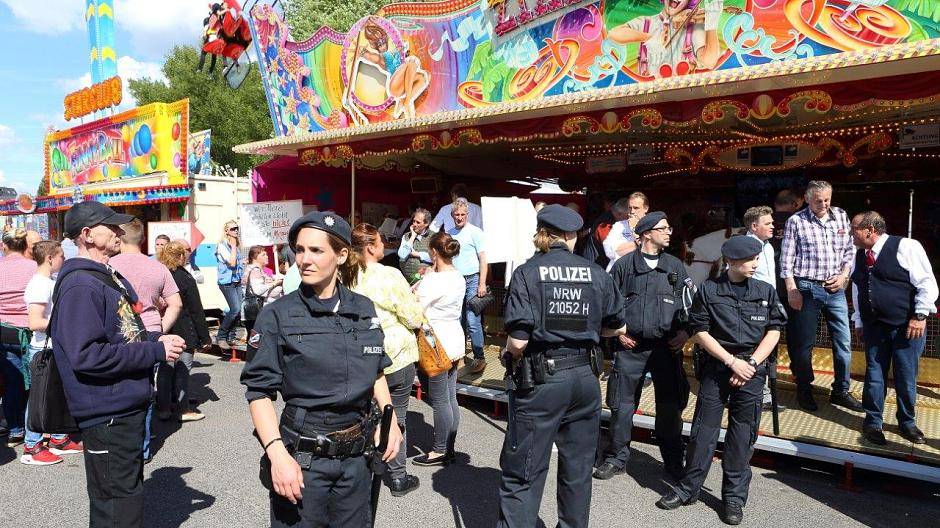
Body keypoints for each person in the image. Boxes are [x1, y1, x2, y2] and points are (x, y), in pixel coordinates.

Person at [240, 211, 403, 527]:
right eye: (300, 250)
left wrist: (390, 418)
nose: (304, 259)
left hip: (357, 459)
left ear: (341, 255)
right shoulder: (277, 315)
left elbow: (376, 370)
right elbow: (258, 392)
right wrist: (277, 455)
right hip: (303, 458)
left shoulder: (363, 309)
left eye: (316, 250)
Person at [52, 201, 184, 528]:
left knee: (125, 497)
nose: (118, 231)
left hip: (122, 406)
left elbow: (123, 336)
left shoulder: (105, 277)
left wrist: (156, 340)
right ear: (87, 235)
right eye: (109, 226)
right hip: (107, 411)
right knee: (115, 506)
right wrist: (154, 352)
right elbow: (86, 355)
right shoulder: (81, 285)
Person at [497, 204, 626, 528]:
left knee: (524, 473)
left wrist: (508, 354)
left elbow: (518, 342)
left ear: (541, 234)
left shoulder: (527, 273)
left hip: (542, 382)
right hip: (585, 379)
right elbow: (618, 327)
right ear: (572, 235)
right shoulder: (596, 273)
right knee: (578, 472)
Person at [656, 235, 786, 526]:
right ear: (733, 262)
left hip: (751, 370)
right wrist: (731, 362)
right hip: (718, 368)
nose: (756, 264)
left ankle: (733, 499)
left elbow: (774, 330)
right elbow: (700, 331)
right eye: (751, 260)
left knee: (742, 437)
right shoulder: (709, 289)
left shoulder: (765, 290)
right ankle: (688, 489)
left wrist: (750, 364)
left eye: (757, 258)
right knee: (703, 433)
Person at [594, 211, 691, 481]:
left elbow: (689, 305)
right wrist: (618, 334)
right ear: (647, 234)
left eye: (669, 228)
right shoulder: (624, 266)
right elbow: (609, 304)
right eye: (663, 228)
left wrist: (685, 333)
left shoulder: (675, 266)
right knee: (621, 406)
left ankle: (673, 460)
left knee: (670, 407)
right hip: (631, 347)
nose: (669, 232)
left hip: (666, 349)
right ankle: (616, 457)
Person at [346, 223, 424, 496]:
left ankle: (360, 473)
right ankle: (398, 476)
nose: (384, 246)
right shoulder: (389, 275)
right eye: (380, 242)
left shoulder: (344, 275)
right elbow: (413, 317)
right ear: (370, 247)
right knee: (396, 414)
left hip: (357, 355)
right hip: (395, 355)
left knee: (361, 415)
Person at [849, 211, 938, 445]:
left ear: (869, 230)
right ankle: (873, 421)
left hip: (906, 326)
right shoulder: (859, 255)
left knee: (905, 376)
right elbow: (858, 289)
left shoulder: (907, 247)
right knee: (874, 375)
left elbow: (926, 283)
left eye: (854, 229)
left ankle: (907, 422)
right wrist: (859, 321)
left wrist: (920, 315)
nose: (851, 234)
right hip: (874, 326)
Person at [780, 180, 862, 412]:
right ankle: (804, 388)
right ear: (807, 199)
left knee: (843, 341)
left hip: (835, 288)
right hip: (807, 286)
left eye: (827, 199)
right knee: (804, 342)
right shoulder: (796, 221)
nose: (824, 204)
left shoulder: (841, 216)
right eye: (819, 201)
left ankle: (841, 390)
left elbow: (850, 250)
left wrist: (844, 276)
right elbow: (786, 258)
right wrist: (792, 289)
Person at [110, 219, 183, 462]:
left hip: (117, 332)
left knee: (117, 386)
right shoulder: (157, 267)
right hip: (149, 331)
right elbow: (175, 303)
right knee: (145, 387)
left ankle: (121, 441)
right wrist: (160, 329)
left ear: (118, 237)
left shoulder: (108, 266)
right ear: (142, 239)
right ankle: (142, 446)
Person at [20, 240, 84, 465]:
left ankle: (58, 438)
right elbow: (35, 322)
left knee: (55, 394)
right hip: (43, 349)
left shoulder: (48, 281)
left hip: (52, 347)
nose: (64, 259)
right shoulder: (40, 284)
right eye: (61, 256)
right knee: (39, 397)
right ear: (50, 258)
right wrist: (66, 324)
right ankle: (32, 445)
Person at [413, 231, 467, 467]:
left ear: (434, 252)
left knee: (439, 399)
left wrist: (417, 286)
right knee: (450, 396)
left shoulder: (432, 281)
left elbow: (416, 307)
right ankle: (449, 446)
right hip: (454, 336)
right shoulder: (458, 277)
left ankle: (440, 449)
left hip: (435, 341)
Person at [157, 241, 213, 422]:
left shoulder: (160, 274)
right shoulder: (185, 277)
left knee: (165, 369)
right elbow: (196, 309)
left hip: (163, 327)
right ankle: (183, 409)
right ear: (180, 256)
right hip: (184, 329)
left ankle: (163, 408)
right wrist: (205, 337)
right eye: (186, 252)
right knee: (182, 369)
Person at [609, 0, 723, 78]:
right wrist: (649, 38)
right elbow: (614, 33)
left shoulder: (694, 25)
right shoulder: (647, 22)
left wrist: (712, 23)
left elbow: (709, 61)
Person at [0, 228, 37, 447]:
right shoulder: (34, 268)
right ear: (25, 246)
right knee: (34, 383)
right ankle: (35, 431)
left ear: (4, 246)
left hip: (3, 331)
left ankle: (15, 430)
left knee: (11, 382)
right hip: (29, 330)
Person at [446, 198, 488, 373]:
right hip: (455, 280)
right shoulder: (449, 233)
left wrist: (482, 283)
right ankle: (460, 356)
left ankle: (479, 357)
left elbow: (483, 259)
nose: (460, 217)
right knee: (457, 320)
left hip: (472, 280)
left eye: (463, 214)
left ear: (467, 215)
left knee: (472, 320)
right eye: (457, 214)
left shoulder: (475, 232)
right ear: (452, 215)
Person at [744, 206, 777, 411]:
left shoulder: (768, 247)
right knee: (753, 348)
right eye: (768, 223)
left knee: (766, 348)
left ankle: (761, 392)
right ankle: (757, 394)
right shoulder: (745, 247)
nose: (773, 226)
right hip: (753, 306)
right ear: (754, 226)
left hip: (768, 304)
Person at [215, 220, 244, 349]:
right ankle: (221, 336)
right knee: (235, 309)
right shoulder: (222, 246)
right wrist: (233, 246)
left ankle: (231, 337)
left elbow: (237, 263)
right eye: (233, 229)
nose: (236, 230)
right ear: (226, 231)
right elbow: (232, 263)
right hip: (226, 282)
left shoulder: (236, 245)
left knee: (238, 311)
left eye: (237, 228)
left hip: (236, 281)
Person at [243, 246, 284, 335]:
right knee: (257, 338)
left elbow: (273, 276)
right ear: (254, 257)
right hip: (256, 310)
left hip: (261, 309)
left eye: (266, 254)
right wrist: (275, 283)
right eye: (263, 255)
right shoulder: (255, 270)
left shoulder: (264, 269)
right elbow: (258, 290)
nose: (267, 256)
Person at [602, 192, 649, 271]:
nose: (632, 211)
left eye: (636, 208)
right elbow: (610, 251)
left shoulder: (654, 225)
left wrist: (634, 229)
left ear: (646, 208)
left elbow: (650, 249)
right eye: (630, 208)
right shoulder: (619, 225)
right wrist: (638, 244)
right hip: (618, 269)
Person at [398, 208, 434, 284]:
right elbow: (402, 254)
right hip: (409, 279)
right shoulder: (407, 236)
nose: (414, 224)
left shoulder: (433, 237)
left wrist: (417, 254)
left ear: (426, 223)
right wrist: (412, 236)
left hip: (427, 280)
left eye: (418, 222)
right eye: (414, 221)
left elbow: (436, 258)